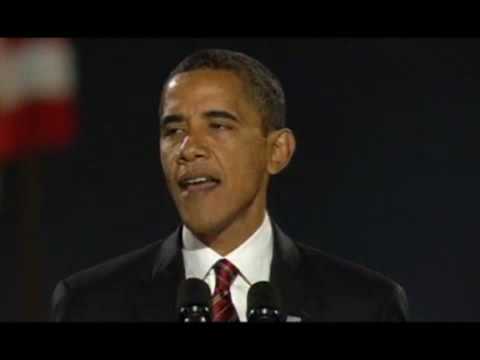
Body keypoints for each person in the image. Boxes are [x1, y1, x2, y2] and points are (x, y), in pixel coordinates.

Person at [50, 49, 408, 322]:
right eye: (174, 131)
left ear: (277, 151)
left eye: (218, 125)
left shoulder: (364, 305)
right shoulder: (91, 304)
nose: (189, 149)